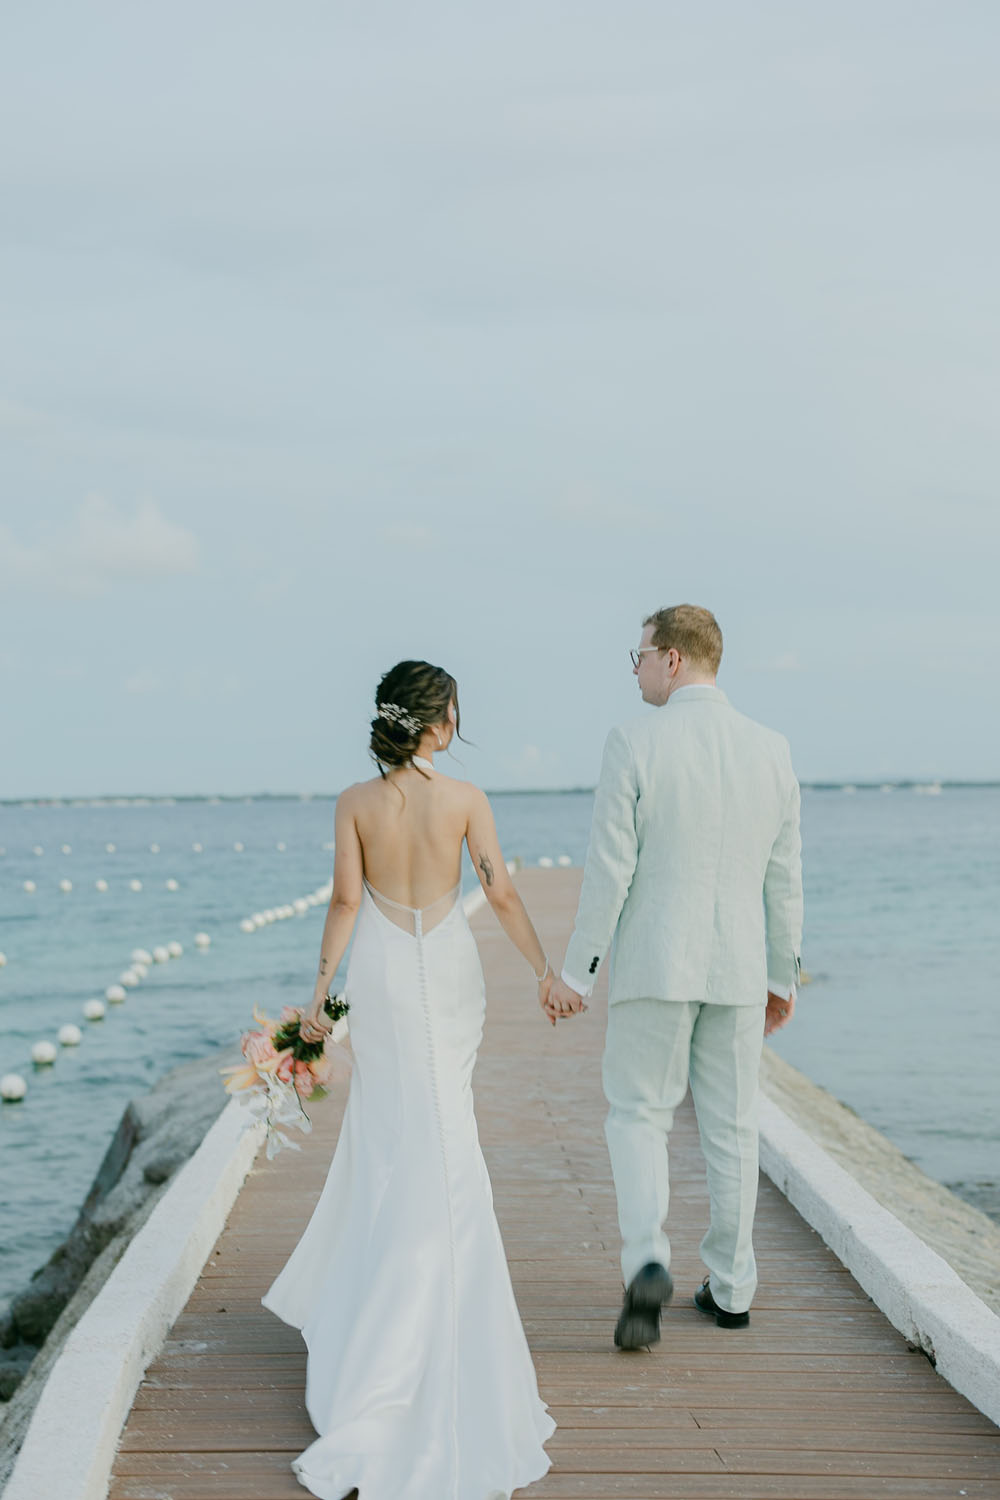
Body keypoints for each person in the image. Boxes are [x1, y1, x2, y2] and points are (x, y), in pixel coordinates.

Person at [262, 660, 555, 1500]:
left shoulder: (354, 802)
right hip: (448, 966)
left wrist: (320, 993)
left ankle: (378, 1326)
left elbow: (346, 902)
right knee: (446, 1128)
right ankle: (437, 1315)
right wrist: (542, 969)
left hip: (386, 976)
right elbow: (498, 892)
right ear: (442, 722)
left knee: (392, 1131)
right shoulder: (466, 800)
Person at [545, 605, 803, 1349]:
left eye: (639, 655)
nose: (634, 669)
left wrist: (578, 972)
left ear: (674, 660)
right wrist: (783, 977)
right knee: (731, 1125)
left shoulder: (633, 741)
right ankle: (731, 1289)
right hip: (740, 970)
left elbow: (609, 871)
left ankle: (647, 1260)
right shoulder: (771, 749)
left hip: (657, 963)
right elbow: (785, 879)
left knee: (638, 1114)